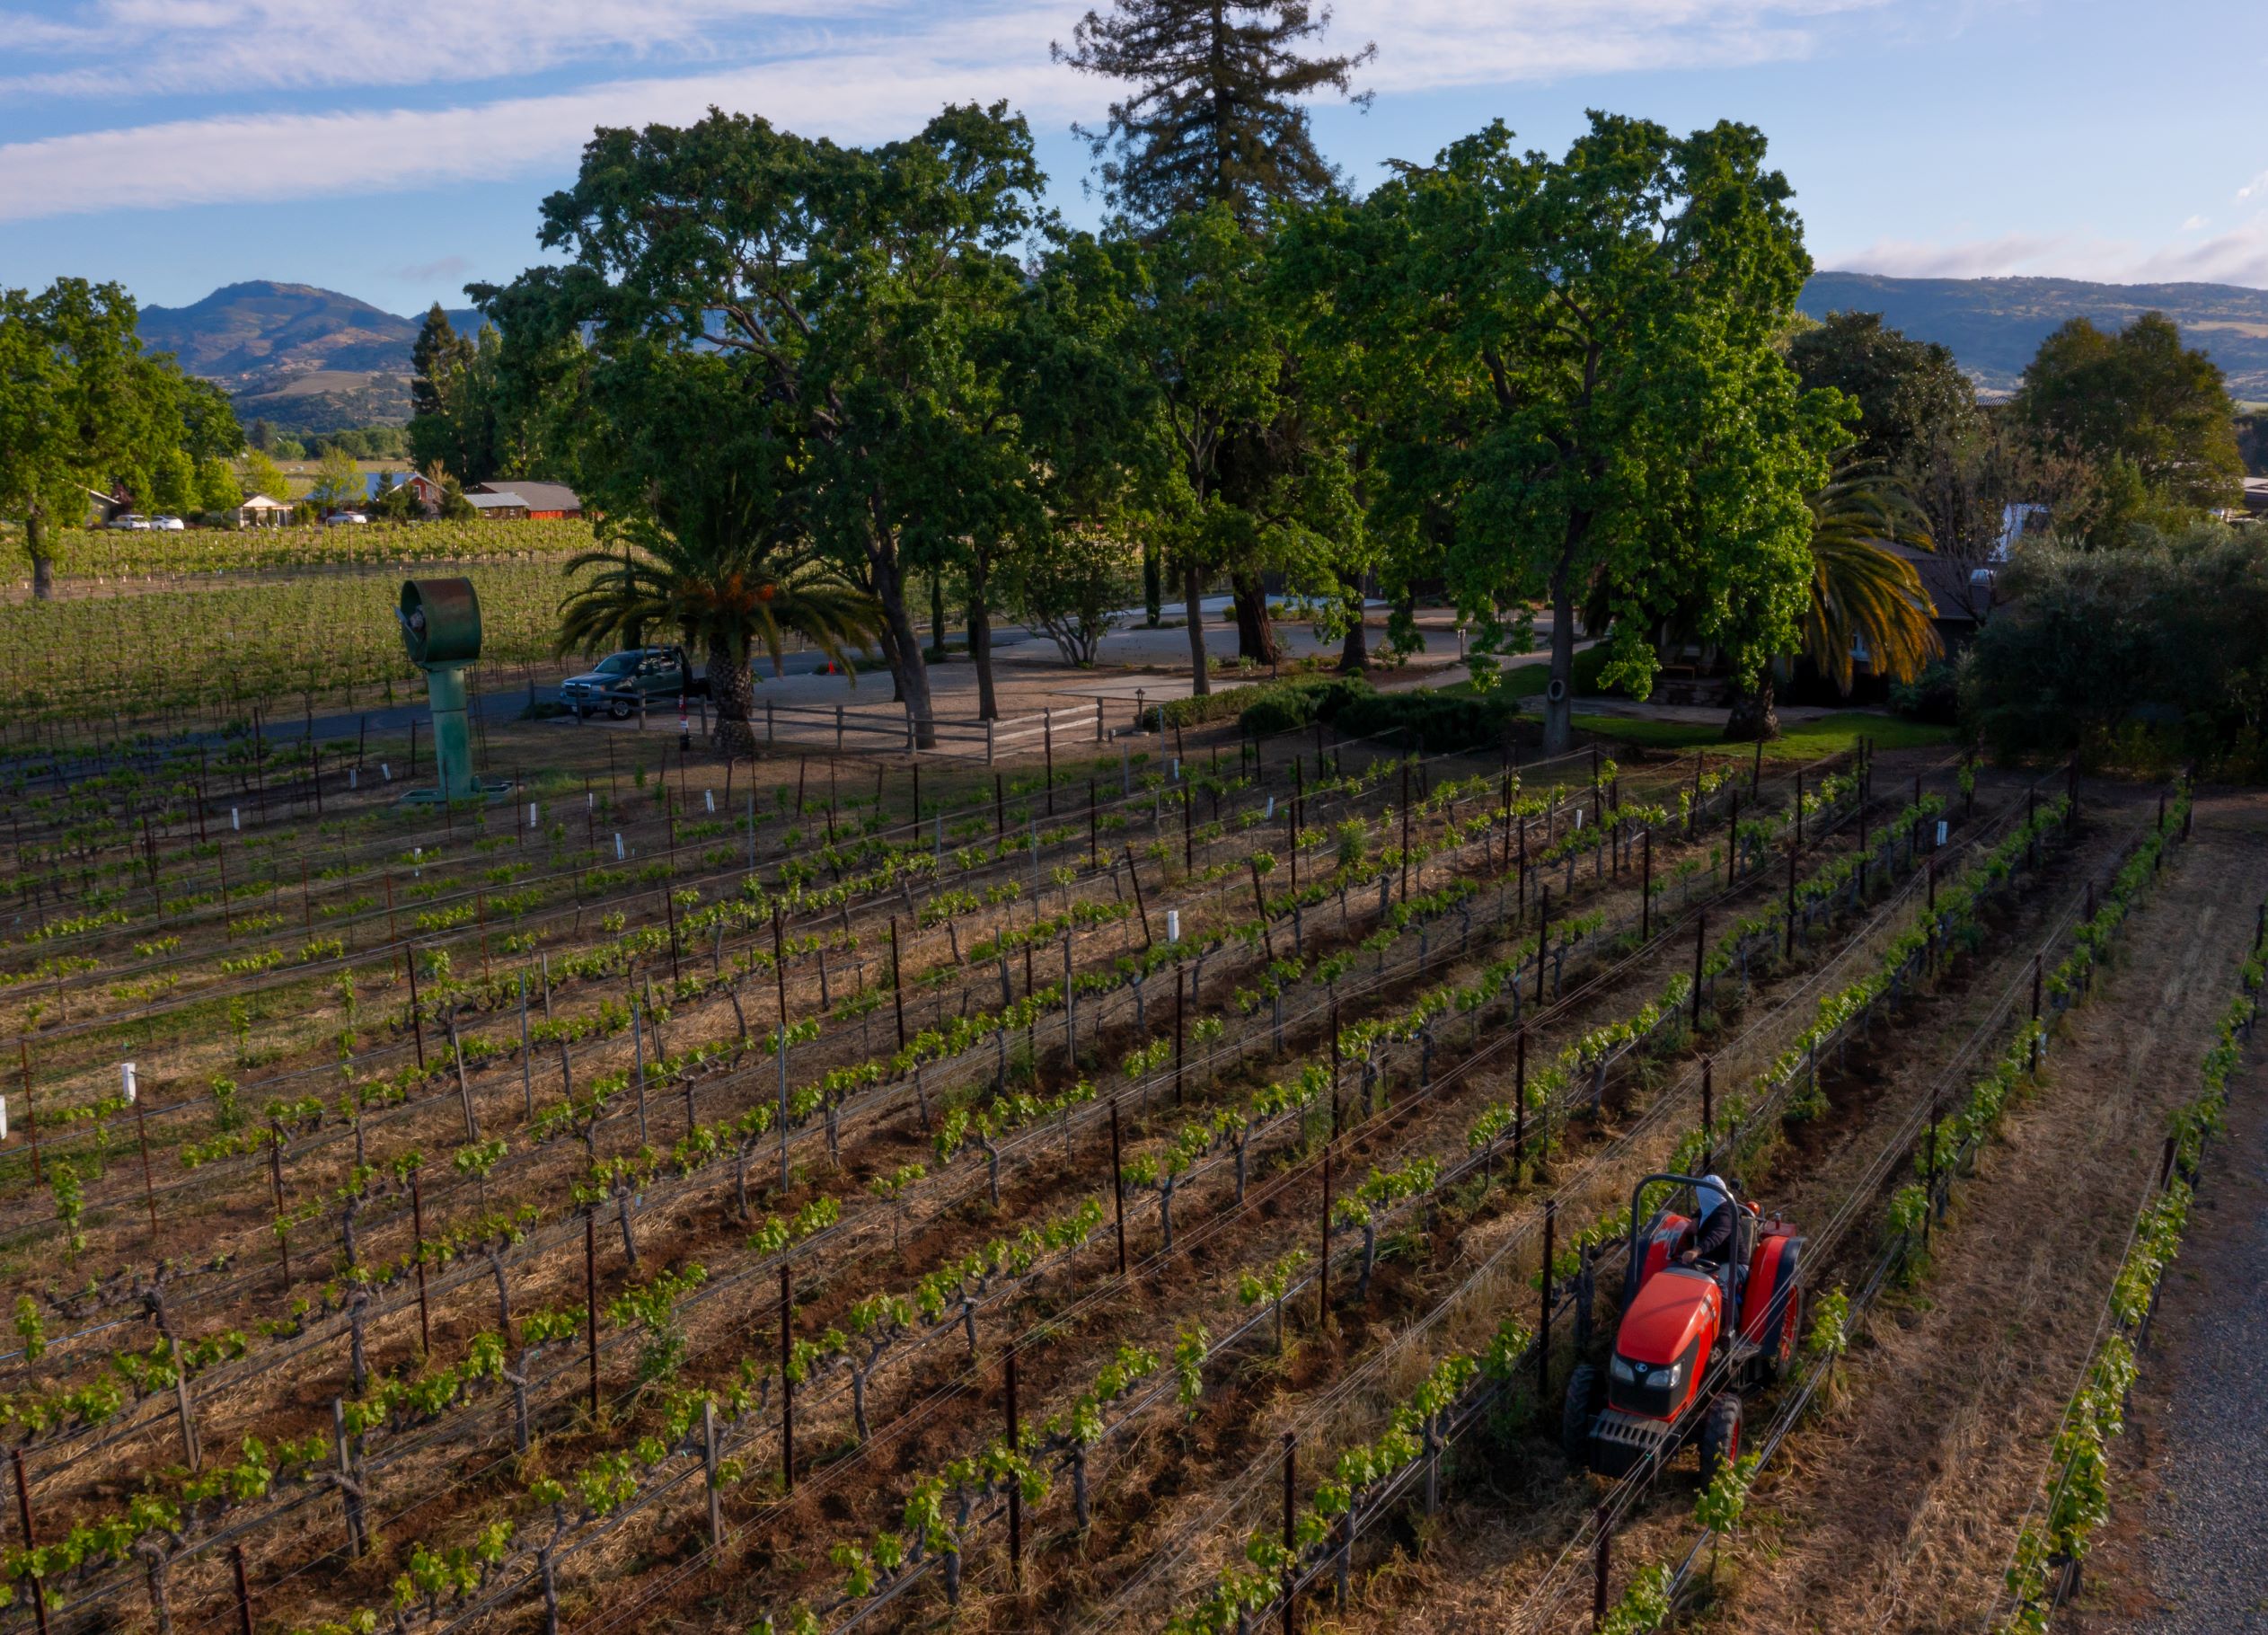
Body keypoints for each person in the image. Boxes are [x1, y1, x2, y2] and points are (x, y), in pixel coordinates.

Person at [1680, 1174, 1736, 1268]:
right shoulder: (1710, 1208)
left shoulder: (1727, 1213)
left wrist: (1696, 1251)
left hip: (1730, 1263)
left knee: (1720, 1282)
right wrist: (1695, 1218)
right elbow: (1701, 1210)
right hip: (1709, 1260)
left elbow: (1717, 1235)